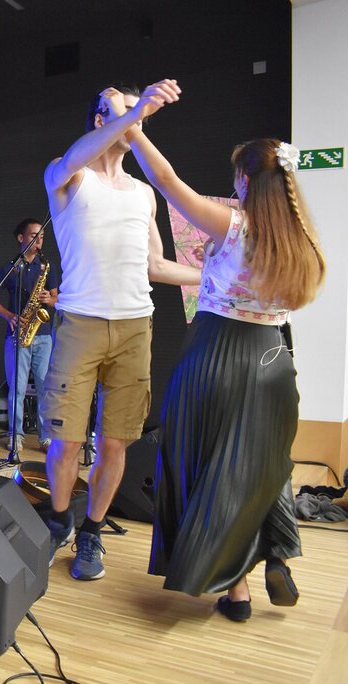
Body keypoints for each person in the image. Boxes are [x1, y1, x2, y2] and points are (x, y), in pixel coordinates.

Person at [122, 98, 325, 620]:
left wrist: (134, 127)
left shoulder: (235, 226)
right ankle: (275, 552)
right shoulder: (300, 238)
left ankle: (236, 588)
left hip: (219, 355)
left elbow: (167, 181)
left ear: (245, 180)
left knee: (210, 464)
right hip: (275, 360)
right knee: (263, 464)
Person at [41, 80, 202, 582]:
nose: (138, 119)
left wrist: (213, 275)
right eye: (125, 111)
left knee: (115, 442)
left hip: (135, 326)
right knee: (65, 442)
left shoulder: (144, 194)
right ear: (100, 119)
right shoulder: (67, 174)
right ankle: (59, 520)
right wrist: (125, 112)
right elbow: (77, 155)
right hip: (79, 323)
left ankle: (91, 532)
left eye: (142, 113)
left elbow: (156, 264)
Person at [0, 218, 60, 454]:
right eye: (34, 236)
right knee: (16, 388)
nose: (39, 241)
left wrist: (50, 299)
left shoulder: (46, 267)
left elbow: (57, 299)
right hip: (17, 334)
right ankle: (15, 435)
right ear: (21, 238)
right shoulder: (10, 268)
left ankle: (45, 437)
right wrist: (9, 316)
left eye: (42, 237)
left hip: (43, 335)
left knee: (45, 387)